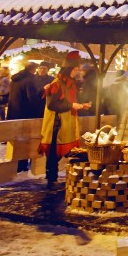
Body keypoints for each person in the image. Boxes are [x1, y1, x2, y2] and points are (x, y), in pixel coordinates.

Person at [39, 51, 90, 188]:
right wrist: (71, 105)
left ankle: (66, 176)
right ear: (68, 69)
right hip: (57, 123)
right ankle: (51, 179)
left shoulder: (70, 83)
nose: (76, 73)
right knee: (54, 153)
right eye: (75, 70)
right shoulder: (56, 84)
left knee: (69, 151)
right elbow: (52, 104)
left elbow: (70, 100)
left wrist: (80, 105)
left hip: (68, 122)